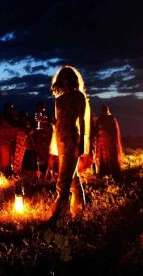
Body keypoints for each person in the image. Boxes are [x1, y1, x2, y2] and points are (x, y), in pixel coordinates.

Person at [47, 65, 90, 225]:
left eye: (67, 76)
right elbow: (58, 122)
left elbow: (82, 120)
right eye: (62, 76)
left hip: (72, 138)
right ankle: (79, 210)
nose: (64, 79)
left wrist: (82, 144)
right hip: (60, 138)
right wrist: (50, 122)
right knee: (73, 178)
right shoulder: (58, 99)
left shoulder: (79, 96)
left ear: (71, 78)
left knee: (63, 179)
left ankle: (59, 215)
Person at [94, 105, 124, 179]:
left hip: (108, 142)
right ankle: (105, 173)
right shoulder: (100, 119)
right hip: (103, 142)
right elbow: (96, 130)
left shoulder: (110, 119)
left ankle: (112, 173)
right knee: (104, 157)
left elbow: (114, 131)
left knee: (110, 157)